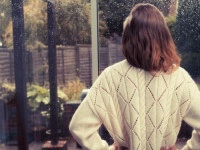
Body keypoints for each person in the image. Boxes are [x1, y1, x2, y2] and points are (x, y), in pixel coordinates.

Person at [69, 3, 200, 150]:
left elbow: (78, 126)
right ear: (164, 37)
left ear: (128, 39)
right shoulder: (179, 77)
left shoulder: (111, 77)